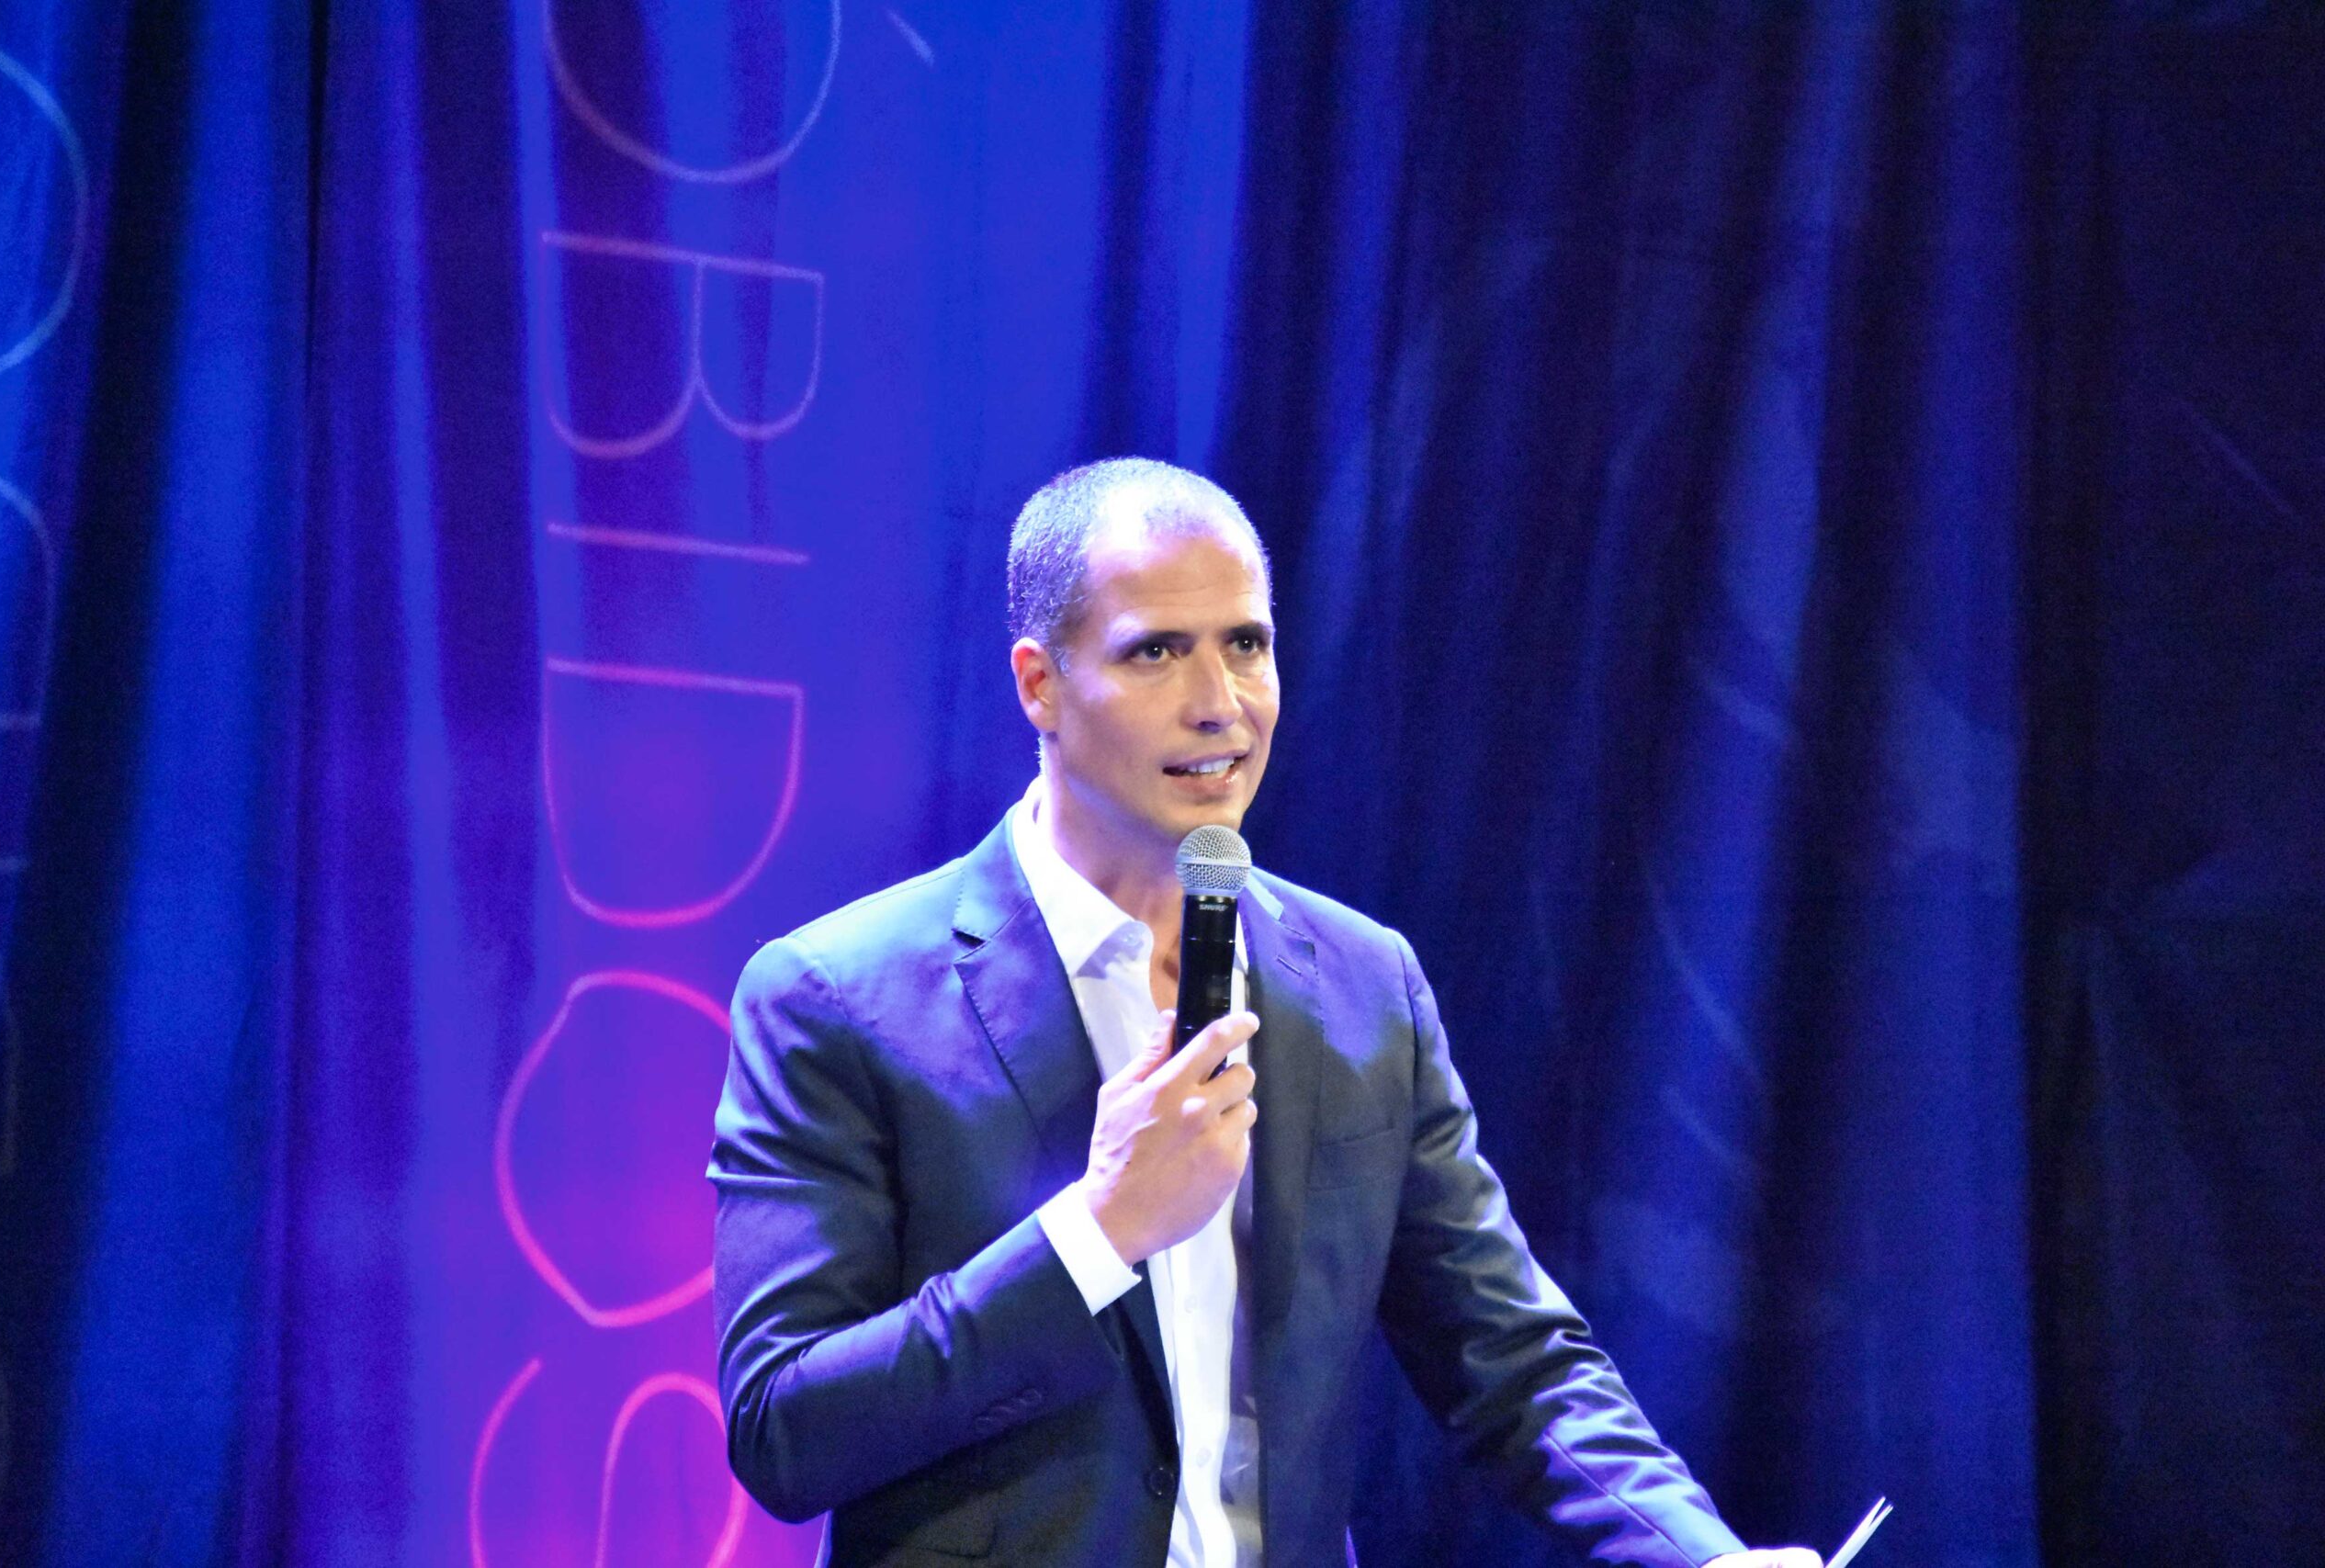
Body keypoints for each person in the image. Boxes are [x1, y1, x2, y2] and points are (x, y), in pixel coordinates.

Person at [711, 457, 1822, 1568]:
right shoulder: (837, 998)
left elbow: (1511, 1361)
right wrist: (1097, 1230)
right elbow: (783, 1431)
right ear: (1040, 685)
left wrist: (1705, 1557)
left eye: (1245, 644)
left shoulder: (1361, 985)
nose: (1220, 702)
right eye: (1155, 652)